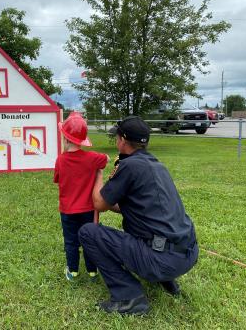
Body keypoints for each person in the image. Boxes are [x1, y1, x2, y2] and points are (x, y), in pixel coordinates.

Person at [78, 116, 198, 315]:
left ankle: (129, 298)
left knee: (88, 233)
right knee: (152, 233)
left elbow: (99, 203)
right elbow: (135, 208)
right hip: (188, 254)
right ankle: (166, 280)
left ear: (122, 140)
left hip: (161, 260)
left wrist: (97, 173)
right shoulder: (157, 166)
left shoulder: (129, 166)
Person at [54, 112, 109, 281]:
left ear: (65, 138)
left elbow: (57, 179)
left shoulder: (60, 160)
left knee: (71, 242)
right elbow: (105, 159)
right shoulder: (92, 158)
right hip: (88, 210)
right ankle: (92, 272)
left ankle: (73, 271)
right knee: (89, 239)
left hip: (67, 211)